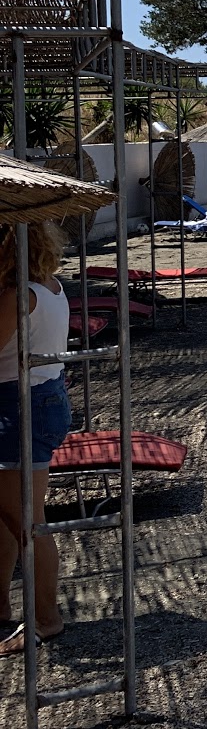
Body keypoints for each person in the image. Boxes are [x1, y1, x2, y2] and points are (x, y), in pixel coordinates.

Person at [0, 221, 73, 653]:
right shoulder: (49, 286)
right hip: (43, 397)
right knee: (11, 518)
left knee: (26, 521)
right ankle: (5, 611)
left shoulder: (17, 295)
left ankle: (46, 619)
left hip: (18, 405)